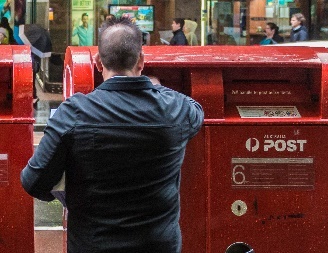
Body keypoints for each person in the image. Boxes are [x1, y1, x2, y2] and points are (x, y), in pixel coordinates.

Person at [21, 17, 204, 252]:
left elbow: (32, 181)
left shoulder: (73, 113)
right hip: (157, 245)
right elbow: (196, 109)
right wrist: (155, 87)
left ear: (98, 62)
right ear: (141, 60)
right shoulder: (174, 110)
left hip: (93, 244)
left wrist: (68, 196)